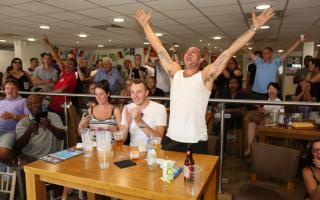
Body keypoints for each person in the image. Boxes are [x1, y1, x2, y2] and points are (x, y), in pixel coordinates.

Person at [135, 8, 275, 154]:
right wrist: (146, 26)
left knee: (196, 177)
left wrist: (254, 28)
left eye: (194, 52)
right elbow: (159, 48)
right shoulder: (175, 72)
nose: (189, 54)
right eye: (187, 52)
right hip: (172, 140)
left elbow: (230, 51)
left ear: (201, 60)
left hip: (196, 141)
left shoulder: (205, 76)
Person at [15, 94, 65, 162]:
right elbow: (20, 144)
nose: (33, 106)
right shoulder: (23, 122)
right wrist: (28, 131)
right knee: (24, 169)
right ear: (27, 106)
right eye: (30, 104)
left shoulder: (54, 116)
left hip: (52, 158)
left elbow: (62, 136)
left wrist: (50, 126)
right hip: (30, 158)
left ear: (41, 102)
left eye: (36, 103)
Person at [121, 80, 167, 147]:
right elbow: (122, 140)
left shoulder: (159, 108)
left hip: (152, 152)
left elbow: (158, 140)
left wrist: (140, 122)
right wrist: (126, 126)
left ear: (146, 93)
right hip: (133, 152)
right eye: (132, 92)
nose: (135, 96)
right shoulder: (127, 108)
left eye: (139, 92)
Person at [244, 82, 283, 156]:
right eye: (269, 89)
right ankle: (250, 148)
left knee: (250, 119)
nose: (271, 91)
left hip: (273, 124)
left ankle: (255, 150)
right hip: (264, 122)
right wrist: (260, 109)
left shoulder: (279, 102)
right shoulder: (267, 100)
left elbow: (273, 116)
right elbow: (263, 113)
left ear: (278, 91)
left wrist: (262, 110)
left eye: (274, 89)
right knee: (251, 124)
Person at [43, 35, 77, 116]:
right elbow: (57, 57)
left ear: (75, 67)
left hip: (60, 107)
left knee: (59, 126)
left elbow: (62, 90)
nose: (68, 65)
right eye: (67, 63)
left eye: (71, 64)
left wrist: (49, 92)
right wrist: (49, 44)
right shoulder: (65, 72)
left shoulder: (72, 76)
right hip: (53, 104)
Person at [0, 79, 30, 164]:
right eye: (7, 88)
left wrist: (13, 116)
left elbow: (30, 118)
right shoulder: (1, 102)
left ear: (17, 89)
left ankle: (11, 165)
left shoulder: (23, 101)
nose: (9, 90)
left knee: (3, 154)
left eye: (12, 88)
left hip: (10, 132)